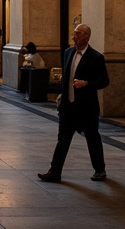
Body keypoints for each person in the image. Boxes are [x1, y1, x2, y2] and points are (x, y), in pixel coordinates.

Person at [38, 24, 110, 183]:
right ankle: (54, 171)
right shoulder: (68, 52)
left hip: (86, 108)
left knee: (92, 139)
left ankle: (100, 169)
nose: (74, 36)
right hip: (68, 107)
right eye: (74, 33)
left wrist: (86, 84)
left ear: (86, 37)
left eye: (77, 34)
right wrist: (62, 97)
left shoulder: (96, 57)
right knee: (62, 139)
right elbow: (66, 78)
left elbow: (104, 81)